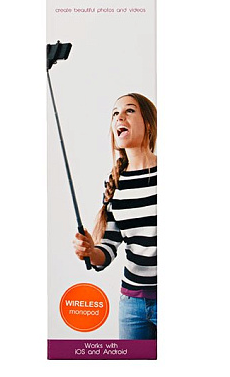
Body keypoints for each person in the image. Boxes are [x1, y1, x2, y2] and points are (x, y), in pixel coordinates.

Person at [73, 93, 157, 340]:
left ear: (148, 123)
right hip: (132, 305)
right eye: (115, 113)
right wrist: (90, 251)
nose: (119, 117)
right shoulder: (115, 184)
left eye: (129, 110)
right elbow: (108, 249)